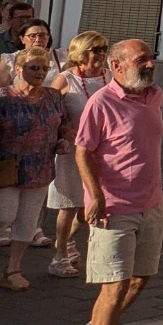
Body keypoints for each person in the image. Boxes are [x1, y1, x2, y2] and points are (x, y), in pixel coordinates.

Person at [76, 39, 163, 325]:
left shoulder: (155, 95)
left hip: (152, 204)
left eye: (151, 58)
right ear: (117, 66)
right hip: (114, 207)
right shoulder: (102, 102)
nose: (150, 64)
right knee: (113, 287)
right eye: (142, 59)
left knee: (141, 278)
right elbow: (82, 151)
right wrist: (95, 195)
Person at [0, 46, 70, 288]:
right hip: (7, 170)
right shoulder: (3, 98)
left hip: (40, 170)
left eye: (44, 68)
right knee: (3, 217)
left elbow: (64, 126)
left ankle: (13, 270)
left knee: (27, 223)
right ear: (18, 69)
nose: (41, 72)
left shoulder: (53, 97)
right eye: (34, 68)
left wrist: (63, 140)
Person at [46, 32, 110, 278]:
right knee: (70, 204)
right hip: (74, 150)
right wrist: (64, 130)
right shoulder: (66, 79)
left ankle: (68, 241)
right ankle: (59, 255)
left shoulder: (109, 77)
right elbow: (50, 112)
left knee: (90, 205)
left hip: (102, 151)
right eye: (94, 49)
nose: (100, 54)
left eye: (103, 49)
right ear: (80, 52)